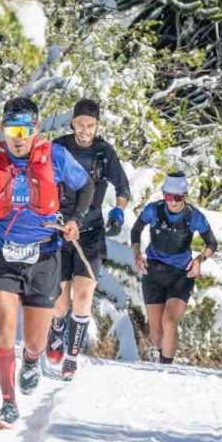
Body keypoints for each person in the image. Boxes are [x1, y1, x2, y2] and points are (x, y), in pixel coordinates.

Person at [0, 97, 94, 428]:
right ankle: (7, 403)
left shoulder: (56, 156)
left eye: (25, 131)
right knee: (3, 330)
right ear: (3, 129)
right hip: (1, 254)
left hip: (44, 255)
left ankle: (30, 360)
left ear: (36, 129)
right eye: (12, 130)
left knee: (35, 341)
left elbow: (85, 185)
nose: (18, 138)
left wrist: (75, 219)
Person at [46, 99, 131, 380]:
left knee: (83, 296)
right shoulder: (59, 147)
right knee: (60, 301)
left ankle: (72, 356)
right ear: (72, 123)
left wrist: (118, 211)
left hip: (91, 232)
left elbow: (123, 187)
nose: (85, 130)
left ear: (97, 126)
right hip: (59, 230)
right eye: (80, 124)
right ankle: (57, 327)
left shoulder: (104, 152)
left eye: (90, 125)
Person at [129, 171, 217, 365]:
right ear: (164, 195)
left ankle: (165, 370)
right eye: (169, 197)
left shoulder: (194, 216)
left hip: (181, 274)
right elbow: (136, 230)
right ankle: (164, 356)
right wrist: (137, 254)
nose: (173, 202)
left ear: (184, 196)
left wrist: (199, 260)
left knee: (169, 321)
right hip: (154, 271)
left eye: (177, 198)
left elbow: (212, 243)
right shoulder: (154, 210)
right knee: (156, 335)